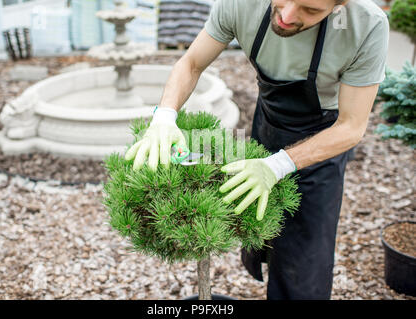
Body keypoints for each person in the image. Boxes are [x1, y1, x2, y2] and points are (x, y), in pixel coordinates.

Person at [124, 0, 389, 299]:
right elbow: (191, 63)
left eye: (310, 10)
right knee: (260, 230)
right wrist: (165, 116)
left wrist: (277, 166)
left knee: (303, 261)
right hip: (269, 123)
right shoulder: (241, 4)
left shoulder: (367, 25)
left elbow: (351, 126)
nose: (288, 16)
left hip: (322, 140)